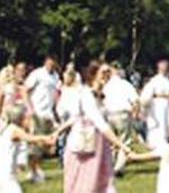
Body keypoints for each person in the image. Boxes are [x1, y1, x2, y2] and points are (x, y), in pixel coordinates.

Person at [56, 63, 131, 193]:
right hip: (84, 146)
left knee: (105, 182)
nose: (106, 76)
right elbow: (99, 122)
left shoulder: (102, 95)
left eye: (108, 72)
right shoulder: (86, 95)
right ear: (93, 75)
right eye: (103, 73)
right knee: (85, 185)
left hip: (100, 146)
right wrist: (121, 145)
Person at [0, 106, 56, 193]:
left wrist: (45, 142)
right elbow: (30, 138)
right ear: (20, 118)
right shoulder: (15, 129)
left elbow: (32, 141)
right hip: (4, 175)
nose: (29, 121)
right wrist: (46, 138)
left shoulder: (3, 128)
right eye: (26, 118)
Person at [22, 56, 60, 183]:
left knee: (44, 145)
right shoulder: (37, 74)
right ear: (46, 61)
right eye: (50, 60)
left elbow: (55, 95)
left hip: (48, 114)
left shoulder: (55, 77)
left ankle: (36, 169)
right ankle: (33, 171)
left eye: (54, 61)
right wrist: (29, 108)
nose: (52, 63)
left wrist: (55, 112)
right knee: (35, 144)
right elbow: (25, 90)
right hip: (36, 112)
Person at [102, 65, 140, 173]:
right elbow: (135, 100)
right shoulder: (126, 84)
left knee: (112, 142)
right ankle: (118, 168)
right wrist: (136, 113)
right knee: (125, 141)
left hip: (109, 114)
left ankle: (109, 164)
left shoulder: (107, 85)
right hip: (123, 114)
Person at [140, 59, 169, 153]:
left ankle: (164, 140)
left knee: (165, 123)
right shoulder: (154, 80)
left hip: (166, 104)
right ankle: (154, 142)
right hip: (156, 104)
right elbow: (147, 95)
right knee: (156, 123)